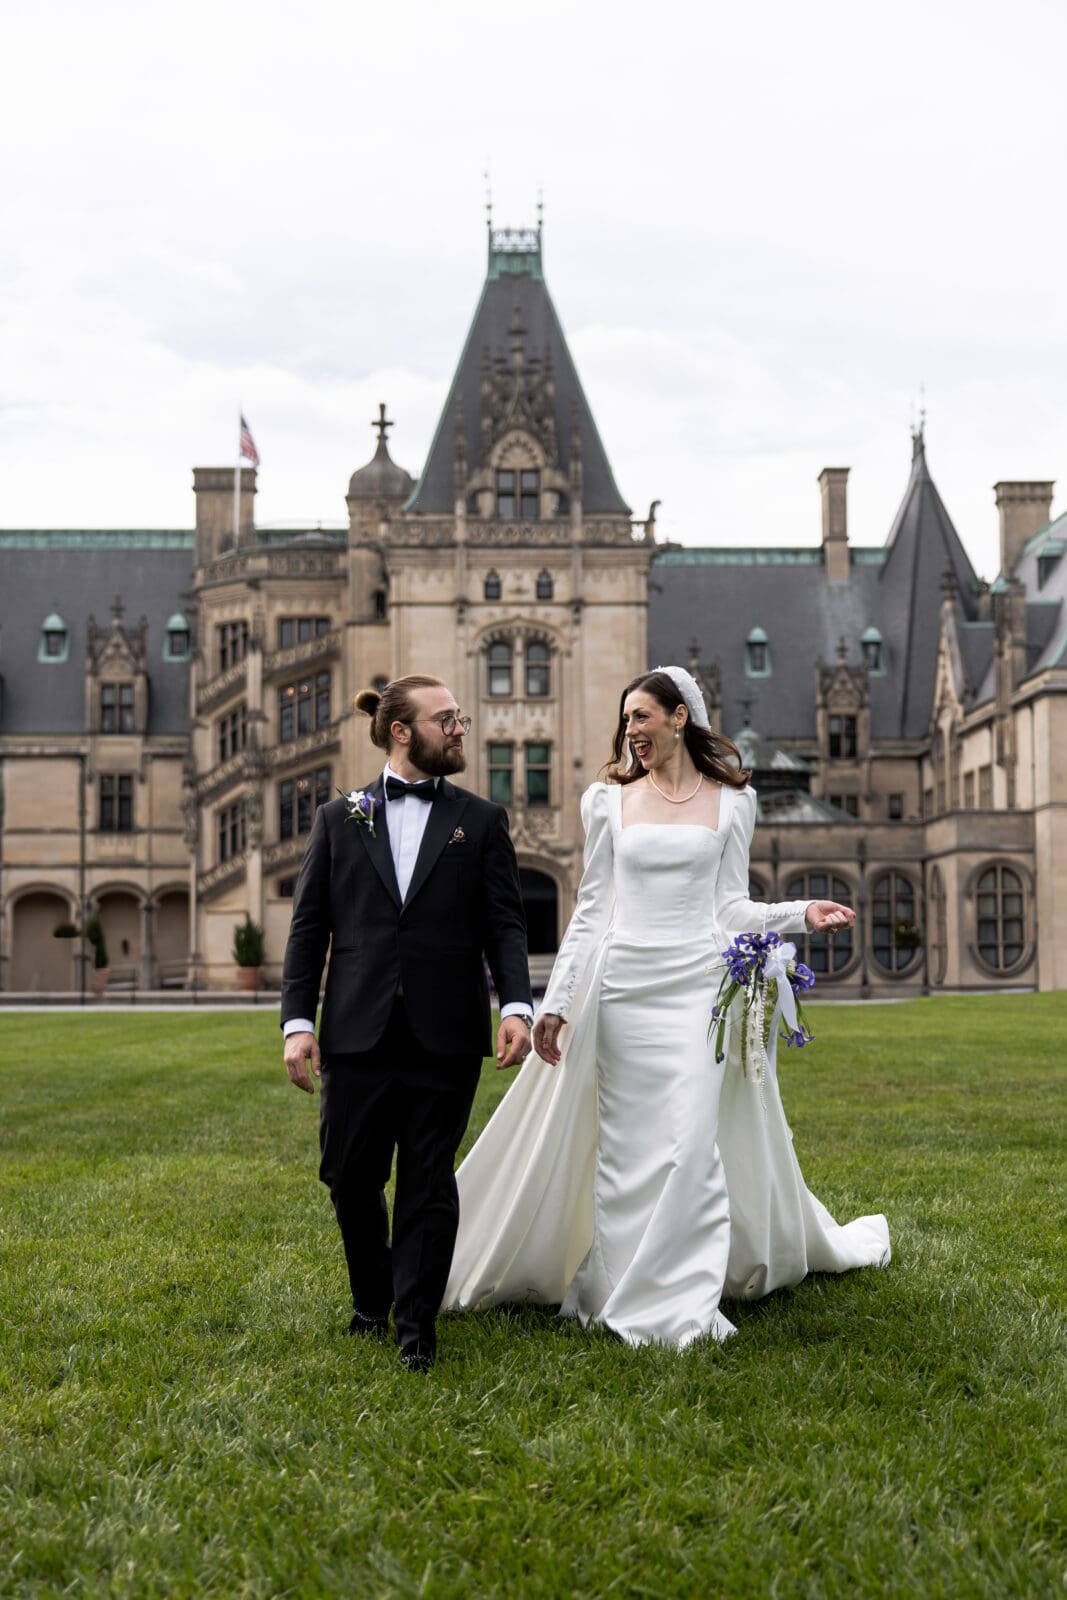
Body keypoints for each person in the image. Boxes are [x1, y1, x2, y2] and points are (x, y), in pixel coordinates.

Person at [444, 666, 890, 1348]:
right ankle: (617, 1283)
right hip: (622, 989)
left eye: (642, 717)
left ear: (679, 718)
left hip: (696, 989)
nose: (630, 731)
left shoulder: (733, 803)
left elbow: (729, 908)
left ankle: (677, 1298)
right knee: (627, 1154)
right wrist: (557, 1004)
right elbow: (592, 910)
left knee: (686, 1148)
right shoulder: (607, 800)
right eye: (625, 721)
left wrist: (800, 912)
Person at [281, 674, 533, 1372]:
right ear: (401, 731)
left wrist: (516, 1005)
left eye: (461, 718)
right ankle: (372, 1299)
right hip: (354, 1032)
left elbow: (504, 925)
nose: (460, 729)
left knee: (428, 1179)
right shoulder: (340, 818)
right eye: (446, 719)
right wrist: (297, 1022)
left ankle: (415, 1327)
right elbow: (307, 932)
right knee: (348, 1175)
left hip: (445, 1033)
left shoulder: (480, 821)